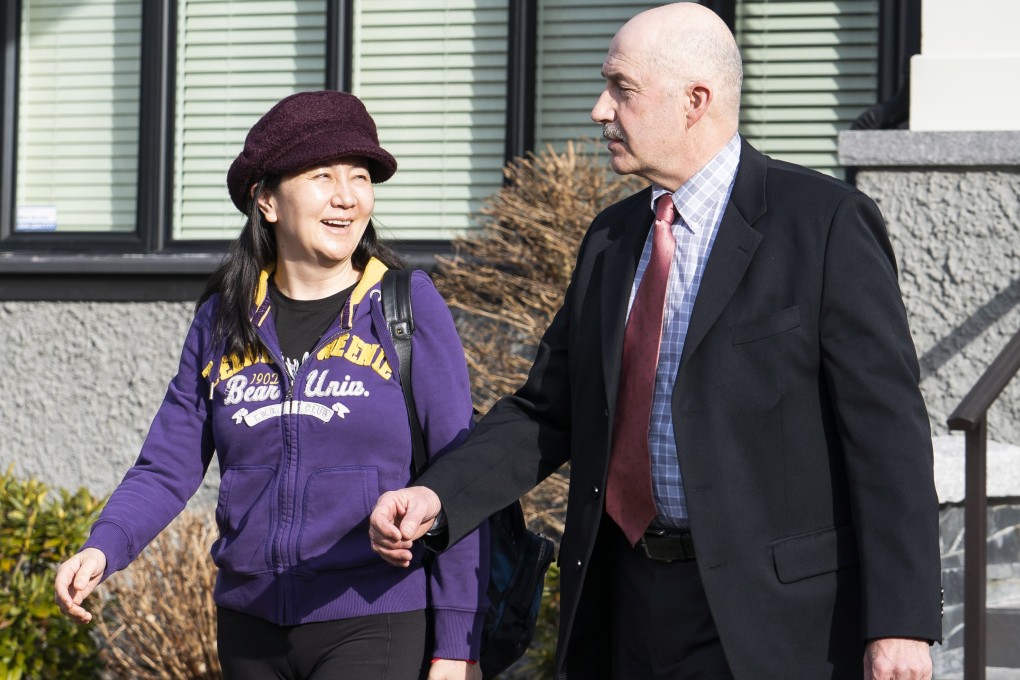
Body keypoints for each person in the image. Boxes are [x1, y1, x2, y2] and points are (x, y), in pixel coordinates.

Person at [369, 4, 942, 680]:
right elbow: (548, 411)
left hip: (778, 626)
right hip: (628, 607)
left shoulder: (823, 225)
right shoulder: (611, 240)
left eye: (621, 87)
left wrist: (900, 623)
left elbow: (886, 436)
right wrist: (441, 496)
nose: (598, 109)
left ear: (695, 100)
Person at [55, 90, 486, 680]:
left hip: (374, 617)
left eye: (360, 176)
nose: (347, 196)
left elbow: (458, 473)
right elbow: (167, 464)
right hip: (248, 625)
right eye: (322, 175)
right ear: (266, 200)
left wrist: (456, 646)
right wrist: (103, 547)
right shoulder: (222, 319)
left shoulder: (405, 306)